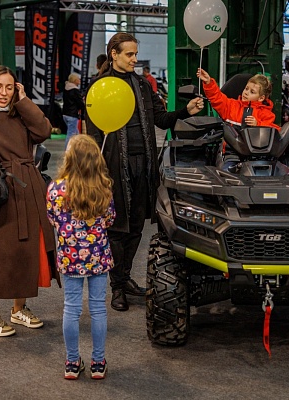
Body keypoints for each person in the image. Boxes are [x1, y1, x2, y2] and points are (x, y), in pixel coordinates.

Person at [86, 32, 204, 312]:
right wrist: (95, 171)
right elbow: (92, 134)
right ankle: (117, 287)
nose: (135, 59)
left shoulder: (141, 84)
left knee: (136, 225)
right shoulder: (100, 86)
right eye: (130, 54)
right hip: (114, 167)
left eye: (136, 54)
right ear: (113, 54)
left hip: (146, 164)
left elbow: (161, 119)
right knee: (116, 228)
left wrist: (184, 111)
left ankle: (125, 279)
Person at [0, 65, 59, 337]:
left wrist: (24, 100)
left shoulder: (20, 114)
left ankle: (19, 309)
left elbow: (44, 130)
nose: (4, 93)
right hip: (2, 189)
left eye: (9, 87)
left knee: (29, 247)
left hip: (29, 184)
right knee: (0, 249)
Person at [47, 134, 116, 380]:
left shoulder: (55, 189)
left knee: (71, 309)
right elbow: (109, 220)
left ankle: (72, 362)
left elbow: (53, 220)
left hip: (69, 258)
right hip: (98, 257)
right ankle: (98, 363)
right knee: (98, 308)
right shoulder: (104, 187)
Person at [196, 68, 279, 130]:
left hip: (254, 151)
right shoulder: (231, 106)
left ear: (261, 98)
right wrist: (208, 83)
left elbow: (273, 130)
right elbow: (217, 98)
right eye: (246, 89)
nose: (246, 92)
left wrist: (258, 124)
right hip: (230, 151)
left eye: (252, 92)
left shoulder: (266, 115)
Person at [62, 73, 85, 149]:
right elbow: (80, 102)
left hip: (65, 114)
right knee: (71, 134)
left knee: (76, 133)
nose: (79, 80)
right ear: (75, 80)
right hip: (72, 115)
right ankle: (67, 151)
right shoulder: (75, 90)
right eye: (78, 79)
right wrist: (84, 107)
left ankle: (79, 148)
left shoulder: (66, 89)